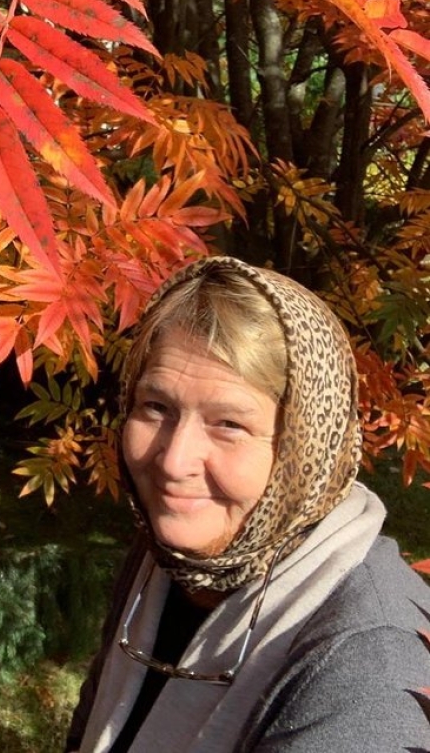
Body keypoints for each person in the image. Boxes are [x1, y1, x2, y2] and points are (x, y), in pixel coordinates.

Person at [66, 255, 430, 752]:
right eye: (156, 407)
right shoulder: (169, 561)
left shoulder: (368, 664)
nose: (173, 461)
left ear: (306, 446)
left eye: (229, 424)